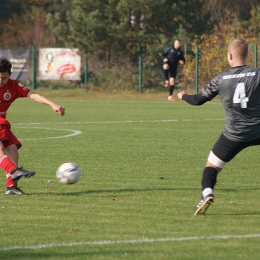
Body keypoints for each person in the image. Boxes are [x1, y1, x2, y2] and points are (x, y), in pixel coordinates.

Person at [177, 38, 260, 215]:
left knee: (211, 167)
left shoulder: (221, 79)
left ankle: (207, 193)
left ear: (230, 56)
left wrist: (183, 96)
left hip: (234, 135)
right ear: (247, 55)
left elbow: (198, 100)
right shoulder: (257, 74)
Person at [0, 57, 65, 195]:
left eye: (4, 78)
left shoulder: (13, 86)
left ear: (9, 75)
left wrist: (52, 103)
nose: (0, 81)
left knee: (12, 149)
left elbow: (32, 94)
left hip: (1, 122)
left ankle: (11, 186)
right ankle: (13, 170)